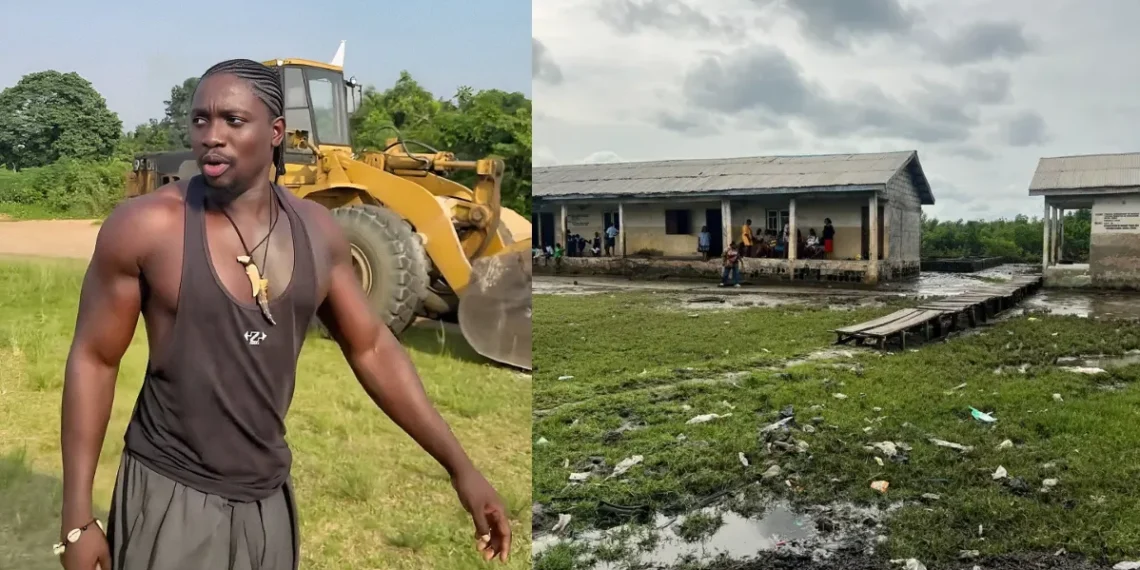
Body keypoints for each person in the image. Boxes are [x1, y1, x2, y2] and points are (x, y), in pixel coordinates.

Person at [57, 59, 511, 570]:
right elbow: (94, 359)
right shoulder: (147, 226)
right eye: (200, 119)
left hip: (269, 502)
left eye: (233, 120)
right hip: (171, 492)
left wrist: (461, 468)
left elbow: (372, 347)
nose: (211, 136)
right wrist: (77, 519)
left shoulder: (317, 231)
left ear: (275, 132)